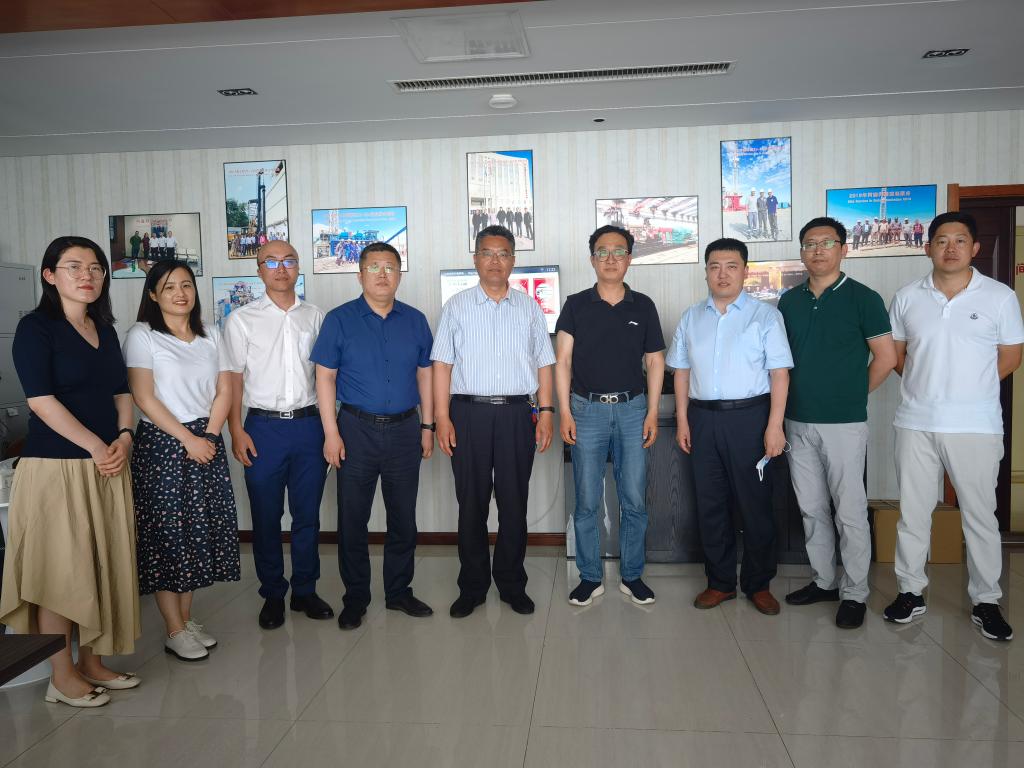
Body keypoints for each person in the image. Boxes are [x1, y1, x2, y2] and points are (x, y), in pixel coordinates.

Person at [0, 236, 141, 708]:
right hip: (57, 468)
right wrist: (98, 446)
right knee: (61, 576)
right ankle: (61, 678)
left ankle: (93, 663)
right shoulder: (36, 328)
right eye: (74, 266)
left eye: (96, 267)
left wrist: (124, 438)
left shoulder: (105, 330)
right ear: (50, 275)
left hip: (108, 464)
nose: (88, 275)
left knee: (101, 567)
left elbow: (122, 392)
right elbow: (41, 401)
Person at [885, 212, 1023, 640]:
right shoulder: (907, 297)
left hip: (976, 425)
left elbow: (1011, 356)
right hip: (915, 422)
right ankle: (910, 592)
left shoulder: (1000, 297)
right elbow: (897, 357)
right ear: (928, 247)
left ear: (974, 248)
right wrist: (928, 387)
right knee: (913, 514)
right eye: (941, 240)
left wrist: (969, 389)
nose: (950, 248)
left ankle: (986, 601)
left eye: (960, 240)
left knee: (980, 516)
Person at [777, 217, 896, 629]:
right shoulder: (789, 301)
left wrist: (853, 394)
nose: (817, 250)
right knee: (811, 508)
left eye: (826, 243)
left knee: (849, 510)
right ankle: (824, 580)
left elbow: (886, 357)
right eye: (810, 244)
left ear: (844, 249)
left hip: (844, 423)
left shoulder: (864, 298)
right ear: (802, 252)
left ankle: (855, 592)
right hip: (796, 421)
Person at [432, 224, 556, 618]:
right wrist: (441, 417)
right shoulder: (457, 307)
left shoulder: (529, 308)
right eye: (487, 253)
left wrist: (546, 413)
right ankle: (472, 587)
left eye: (503, 253)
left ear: (513, 261)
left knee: (514, 503)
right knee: (471, 503)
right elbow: (442, 365)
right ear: (475, 259)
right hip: (468, 414)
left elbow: (544, 364)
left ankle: (511, 584)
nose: (495, 261)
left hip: (518, 414)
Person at [311, 242, 436, 631]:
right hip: (355, 430)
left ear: (399, 275)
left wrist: (428, 426)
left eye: (390, 267)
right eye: (374, 267)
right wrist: (331, 433)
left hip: (405, 430)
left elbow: (425, 375)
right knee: (353, 519)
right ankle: (356, 598)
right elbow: (324, 378)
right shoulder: (339, 320)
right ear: (360, 274)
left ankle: (399, 591)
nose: (383, 274)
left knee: (403, 518)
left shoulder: (415, 320)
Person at [668, 237, 792, 615]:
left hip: (750, 419)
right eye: (715, 267)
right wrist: (683, 420)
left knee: (755, 505)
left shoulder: (765, 316)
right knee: (710, 504)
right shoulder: (691, 317)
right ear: (706, 271)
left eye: (731, 266)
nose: (722, 274)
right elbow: (681, 372)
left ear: (745, 271)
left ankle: (758, 583)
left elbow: (780, 374)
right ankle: (720, 582)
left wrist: (774, 426)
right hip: (703, 418)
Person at [124, 260, 241, 661]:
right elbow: (143, 397)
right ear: (153, 294)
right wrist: (187, 439)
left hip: (206, 441)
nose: (180, 293)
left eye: (186, 285)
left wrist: (209, 435)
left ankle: (186, 620)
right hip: (163, 445)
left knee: (196, 533)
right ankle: (173, 629)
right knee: (167, 536)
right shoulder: (142, 335)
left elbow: (225, 391)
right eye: (169, 286)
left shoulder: (212, 333)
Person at [221, 240, 333, 629]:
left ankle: (305, 590)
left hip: (309, 426)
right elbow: (233, 380)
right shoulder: (241, 320)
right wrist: (235, 429)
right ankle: (272, 594)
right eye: (271, 262)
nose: (280, 268)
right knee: (266, 516)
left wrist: (330, 430)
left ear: (298, 268)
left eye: (288, 261)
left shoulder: (316, 317)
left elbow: (326, 377)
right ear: (259, 271)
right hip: (262, 428)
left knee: (307, 515)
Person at [555, 225, 665, 606]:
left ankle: (632, 575)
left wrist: (652, 411)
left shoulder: (644, 306)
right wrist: (565, 411)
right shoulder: (575, 305)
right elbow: (563, 361)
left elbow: (655, 361)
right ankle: (590, 577)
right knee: (587, 499)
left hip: (633, 410)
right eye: (602, 251)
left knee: (633, 497)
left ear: (629, 259)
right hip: (586, 411)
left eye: (619, 251)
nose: (611, 258)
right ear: (592, 259)